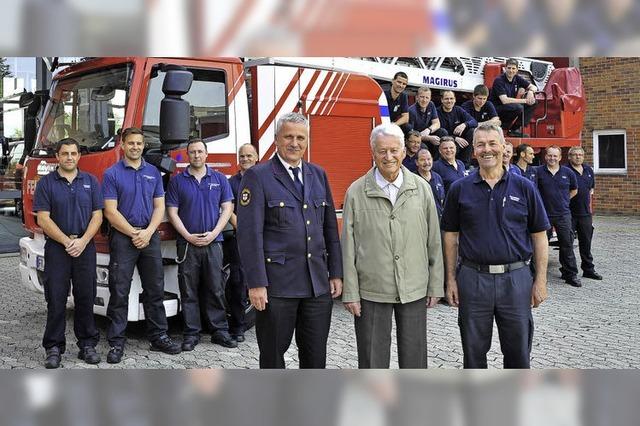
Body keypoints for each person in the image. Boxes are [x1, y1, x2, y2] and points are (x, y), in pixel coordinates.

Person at [236, 112, 343, 369]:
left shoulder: (318, 174)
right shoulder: (258, 176)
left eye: (300, 138)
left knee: (315, 357)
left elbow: (329, 227)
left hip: (316, 285)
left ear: (307, 141)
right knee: (273, 357)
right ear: (276, 140)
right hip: (277, 287)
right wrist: (256, 283)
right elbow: (249, 235)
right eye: (288, 137)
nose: (295, 143)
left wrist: (336, 273)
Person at [442, 123, 550, 369]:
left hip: (516, 280)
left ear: (504, 147)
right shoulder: (459, 189)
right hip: (473, 279)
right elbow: (450, 235)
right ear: (473, 151)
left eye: (492, 143)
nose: (486, 149)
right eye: (480, 144)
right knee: (473, 353)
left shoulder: (525, 188)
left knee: (518, 354)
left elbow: (539, 235)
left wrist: (540, 281)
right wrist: (450, 279)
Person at [341, 123, 443, 368]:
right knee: (372, 358)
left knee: (415, 358)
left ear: (404, 152)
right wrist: (351, 292)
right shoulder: (356, 192)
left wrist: (435, 284)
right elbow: (348, 247)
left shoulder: (421, 189)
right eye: (382, 151)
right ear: (373, 153)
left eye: (394, 150)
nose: (389, 157)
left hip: (414, 288)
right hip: (372, 290)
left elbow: (434, 240)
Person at [103, 127, 181, 364]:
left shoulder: (153, 173)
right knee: (119, 290)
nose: (135, 147)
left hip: (149, 236)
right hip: (123, 238)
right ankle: (116, 342)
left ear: (143, 145)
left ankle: (158, 336)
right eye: (131, 143)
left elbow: (159, 206)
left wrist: (147, 233)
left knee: (154, 289)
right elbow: (110, 211)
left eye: (139, 143)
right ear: (122, 145)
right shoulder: (112, 174)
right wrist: (134, 233)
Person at [33, 138, 103, 368]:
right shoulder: (46, 184)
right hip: (57, 248)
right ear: (58, 156)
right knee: (56, 298)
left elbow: (98, 216)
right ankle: (53, 347)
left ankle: (87, 345)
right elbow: (43, 218)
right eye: (65, 154)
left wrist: (82, 241)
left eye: (73, 153)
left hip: (84, 247)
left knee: (85, 296)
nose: (70, 157)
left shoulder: (90, 182)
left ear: (79, 156)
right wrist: (65, 241)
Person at [166, 138, 235, 351]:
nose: (196, 155)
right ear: (188, 155)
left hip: (214, 243)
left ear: (207, 154)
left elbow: (227, 208)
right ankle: (191, 334)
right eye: (192, 152)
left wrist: (215, 233)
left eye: (200, 152)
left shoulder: (220, 179)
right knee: (189, 291)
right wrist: (187, 235)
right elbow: (172, 212)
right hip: (187, 244)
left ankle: (220, 331)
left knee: (215, 288)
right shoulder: (178, 181)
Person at [225, 143, 259, 342]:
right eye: (242, 156)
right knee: (238, 283)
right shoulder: (232, 183)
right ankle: (238, 327)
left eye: (249, 156)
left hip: (265, 239)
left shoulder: (266, 179)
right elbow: (228, 209)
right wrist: (245, 230)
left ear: (257, 157)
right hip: (241, 239)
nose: (245, 159)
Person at [535, 145, 581, 287]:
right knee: (539, 246)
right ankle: (535, 275)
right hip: (544, 216)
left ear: (560, 157)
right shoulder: (538, 172)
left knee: (567, 244)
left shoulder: (568, 173)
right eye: (550, 155)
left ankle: (570, 274)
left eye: (555, 156)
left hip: (563, 215)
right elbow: (534, 192)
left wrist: (564, 200)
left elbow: (574, 190)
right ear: (545, 156)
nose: (552, 158)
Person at [567, 146, 602, 280]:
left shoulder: (588, 170)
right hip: (569, 214)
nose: (577, 157)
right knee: (567, 244)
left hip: (585, 214)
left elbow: (591, 188)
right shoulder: (565, 170)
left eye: (580, 155)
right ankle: (569, 272)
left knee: (586, 243)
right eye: (575, 155)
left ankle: (588, 269)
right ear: (569, 157)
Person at [489, 58, 538, 137]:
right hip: (496, 108)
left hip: (510, 106)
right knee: (518, 107)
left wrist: (530, 92)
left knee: (533, 102)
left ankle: (514, 129)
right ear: (505, 68)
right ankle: (503, 126)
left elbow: (534, 87)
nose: (511, 71)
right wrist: (525, 100)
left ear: (517, 70)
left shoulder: (517, 78)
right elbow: (504, 100)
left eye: (513, 68)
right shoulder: (499, 80)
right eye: (509, 68)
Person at [437, 90, 477, 167]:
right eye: (446, 99)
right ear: (442, 100)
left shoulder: (458, 110)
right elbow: (441, 133)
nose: (449, 101)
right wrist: (454, 138)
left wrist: (465, 124)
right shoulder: (437, 112)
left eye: (451, 98)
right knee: (442, 131)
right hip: (445, 144)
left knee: (472, 131)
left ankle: (465, 166)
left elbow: (474, 121)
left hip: (460, 143)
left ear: (455, 100)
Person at [408, 86, 447, 159]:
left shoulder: (431, 105)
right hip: (417, 139)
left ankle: (437, 161)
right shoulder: (411, 111)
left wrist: (428, 130)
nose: (424, 100)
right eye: (422, 97)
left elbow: (437, 123)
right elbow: (411, 136)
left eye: (427, 97)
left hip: (427, 133)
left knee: (443, 132)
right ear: (417, 97)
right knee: (424, 147)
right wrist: (429, 138)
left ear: (430, 98)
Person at [415, 148, 445, 220]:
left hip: (439, 221)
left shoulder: (437, 177)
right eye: (422, 160)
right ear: (416, 162)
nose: (427, 162)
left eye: (429, 159)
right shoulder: (413, 179)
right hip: (421, 221)